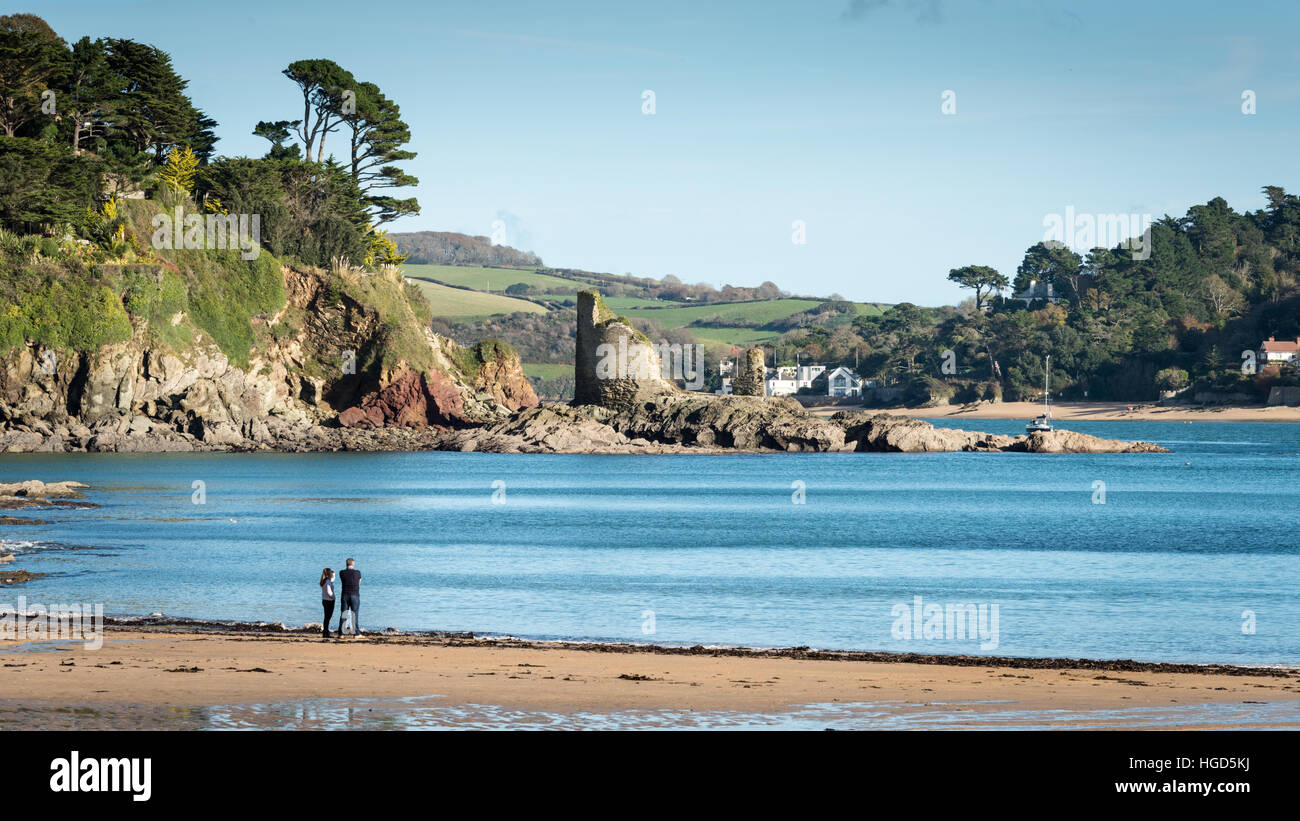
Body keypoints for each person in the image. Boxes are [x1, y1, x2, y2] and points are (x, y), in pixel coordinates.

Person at [337, 558, 361, 637]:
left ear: (346, 564)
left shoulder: (342, 572)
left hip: (345, 594)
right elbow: (359, 582)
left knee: (344, 613)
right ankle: (356, 633)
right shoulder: (357, 572)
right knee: (354, 614)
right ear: (353, 564)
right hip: (354, 594)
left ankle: (341, 633)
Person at [319, 568, 336, 639]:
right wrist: (333, 597)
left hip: (324, 600)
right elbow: (329, 592)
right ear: (329, 574)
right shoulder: (327, 581)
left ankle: (325, 631)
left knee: (326, 617)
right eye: (331, 573)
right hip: (329, 601)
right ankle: (326, 632)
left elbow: (332, 580)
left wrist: (334, 574)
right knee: (328, 617)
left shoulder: (324, 580)